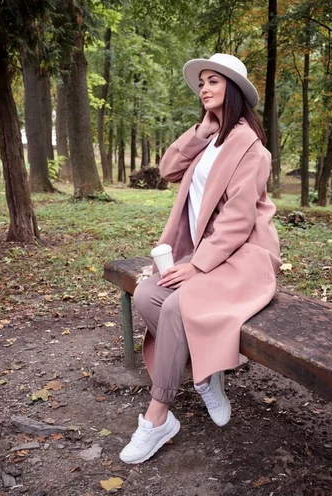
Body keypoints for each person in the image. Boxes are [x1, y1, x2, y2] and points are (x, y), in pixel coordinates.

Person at [119, 53, 281, 465]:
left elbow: (239, 219)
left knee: (177, 306)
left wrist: (197, 265)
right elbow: (169, 168)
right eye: (202, 82)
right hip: (203, 253)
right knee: (145, 296)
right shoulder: (209, 140)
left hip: (243, 256)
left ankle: (158, 417)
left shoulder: (253, 151)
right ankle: (206, 374)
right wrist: (201, 130)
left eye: (214, 81)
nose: (204, 88)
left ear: (235, 91)